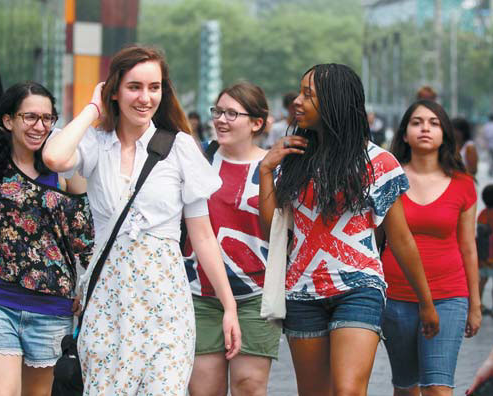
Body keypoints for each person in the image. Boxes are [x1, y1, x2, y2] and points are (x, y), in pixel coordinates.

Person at [43, 45, 241, 395]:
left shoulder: (178, 147)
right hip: (108, 301)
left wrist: (229, 305)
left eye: (155, 87)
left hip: (166, 301)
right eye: (134, 87)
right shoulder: (96, 143)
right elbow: (54, 158)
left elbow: (203, 236)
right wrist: (92, 108)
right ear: (115, 90)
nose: (145, 97)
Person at [258, 63, 439, 396]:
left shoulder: (378, 162)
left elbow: (400, 239)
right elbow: (272, 230)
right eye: (299, 92)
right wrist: (266, 171)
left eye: (307, 95)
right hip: (302, 293)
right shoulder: (294, 156)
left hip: (360, 288)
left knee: (348, 390)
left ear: (334, 101)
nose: (297, 101)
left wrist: (425, 302)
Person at [0, 82, 94, 396]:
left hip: (52, 304)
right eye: (30, 117)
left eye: (47, 118)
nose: (39, 126)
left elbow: (84, 238)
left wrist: (84, 289)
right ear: (9, 120)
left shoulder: (66, 170)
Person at [185, 82, 280, 396]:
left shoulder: (276, 168)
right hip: (199, 293)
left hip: (256, 295)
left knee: (249, 386)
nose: (221, 120)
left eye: (231, 114)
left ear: (257, 123)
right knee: (204, 390)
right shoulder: (198, 162)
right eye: (218, 112)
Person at [382, 99, 481, 396]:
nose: (425, 128)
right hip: (394, 296)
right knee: (406, 387)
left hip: (448, 296)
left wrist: (475, 304)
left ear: (444, 134)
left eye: (434, 123)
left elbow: (468, 247)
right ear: (404, 134)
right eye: (417, 122)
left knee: (438, 388)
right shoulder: (388, 179)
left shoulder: (463, 183)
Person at [476, 184, 493, 316]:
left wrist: (481, 258)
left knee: (483, 279)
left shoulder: (482, 214)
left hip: (483, 256)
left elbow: (480, 239)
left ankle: (479, 304)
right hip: (489, 255)